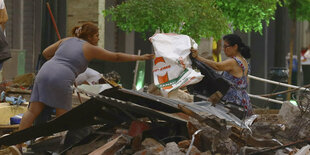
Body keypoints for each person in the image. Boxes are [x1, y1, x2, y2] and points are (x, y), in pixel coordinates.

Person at [9, 22, 153, 153]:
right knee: (64, 117)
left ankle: (17, 144)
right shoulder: (90, 48)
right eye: (96, 35)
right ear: (89, 37)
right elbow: (115, 57)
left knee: (33, 111)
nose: (98, 39)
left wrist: (62, 63)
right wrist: (140, 58)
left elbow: (46, 53)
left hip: (44, 71)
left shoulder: (66, 40)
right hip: (61, 77)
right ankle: (61, 148)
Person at [191, 34, 253, 116]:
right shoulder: (244, 61)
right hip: (244, 101)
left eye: (226, 46)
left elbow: (217, 66)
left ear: (235, 46)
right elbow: (245, 82)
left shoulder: (233, 61)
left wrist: (198, 57)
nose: (224, 49)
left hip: (232, 102)